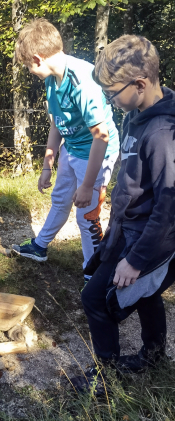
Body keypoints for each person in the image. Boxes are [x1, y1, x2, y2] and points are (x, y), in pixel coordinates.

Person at [70, 35, 175, 393]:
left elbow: (169, 206)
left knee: (95, 299)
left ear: (140, 84)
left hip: (146, 242)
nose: (110, 100)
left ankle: (108, 375)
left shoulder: (162, 133)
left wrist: (136, 261)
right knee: (146, 296)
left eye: (113, 93)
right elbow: (131, 175)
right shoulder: (137, 116)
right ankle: (155, 355)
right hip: (125, 231)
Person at [11, 19, 120, 282]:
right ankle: (39, 247)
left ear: (38, 58)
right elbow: (56, 123)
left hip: (96, 154)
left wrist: (87, 184)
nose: (29, 70)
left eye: (27, 65)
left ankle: (94, 275)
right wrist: (48, 164)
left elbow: (102, 137)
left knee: (87, 217)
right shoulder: (51, 79)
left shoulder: (82, 81)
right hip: (73, 149)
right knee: (60, 199)